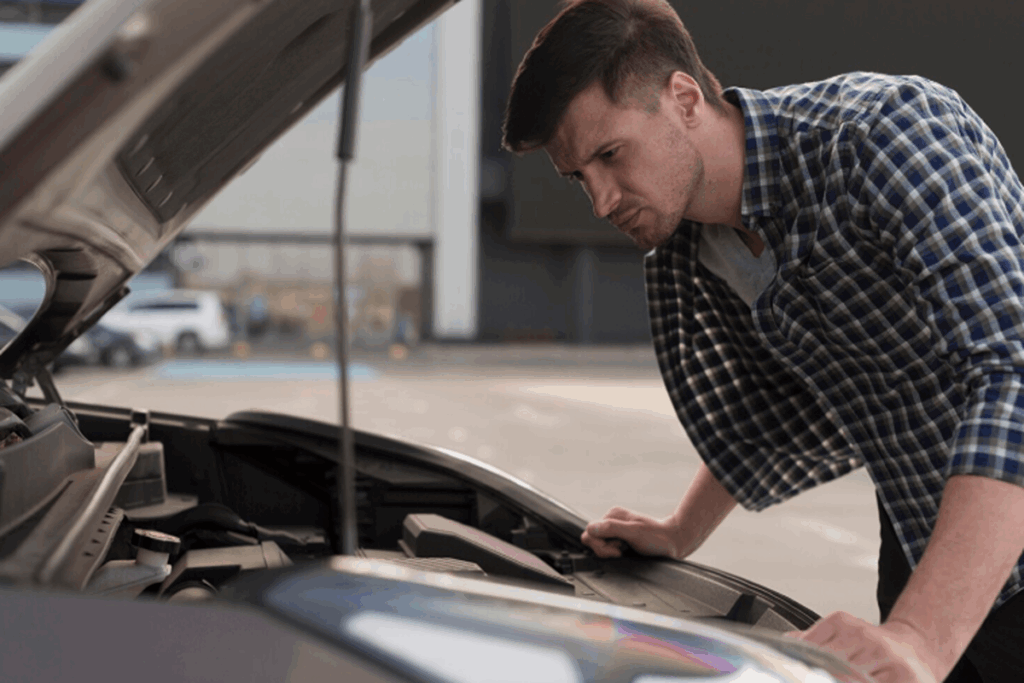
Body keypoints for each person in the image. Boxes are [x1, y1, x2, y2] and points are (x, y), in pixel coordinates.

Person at [501, 1, 1024, 682]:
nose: (601, 201)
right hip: (925, 544)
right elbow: (776, 409)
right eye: (579, 176)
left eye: (609, 155)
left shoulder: (883, 134)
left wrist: (922, 633)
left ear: (684, 99)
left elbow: (1013, 370)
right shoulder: (690, 248)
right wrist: (680, 530)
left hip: (966, 576)